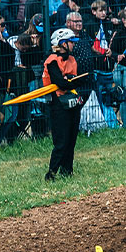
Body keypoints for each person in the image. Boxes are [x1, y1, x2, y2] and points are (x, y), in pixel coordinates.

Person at [43, 30, 92, 182]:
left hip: (72, 103)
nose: (73, 45)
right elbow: (60, 83)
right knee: (61, 142)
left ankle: (67, 172)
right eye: (71, 42)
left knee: (71, 140)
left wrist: (70, 80)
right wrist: (70, 80)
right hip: (58, 105)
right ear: (62, 43)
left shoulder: (72, 59)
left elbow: (82, 79)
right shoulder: (52, 61)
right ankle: (51, 174)